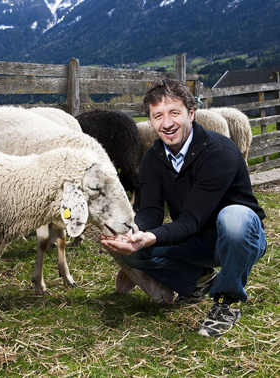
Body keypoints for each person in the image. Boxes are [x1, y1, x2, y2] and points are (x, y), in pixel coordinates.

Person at [101, 78, 267, 337]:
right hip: (195, 239)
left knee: (234, 216)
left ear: (191, 113)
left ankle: (227, 301)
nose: (166, 124)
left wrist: (151, 237)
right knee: (131, 252)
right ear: (150, 120)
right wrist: (133, 230)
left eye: (174, 113)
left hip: (240, 239)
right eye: (158, 116)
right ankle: (200, 279)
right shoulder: (154, 158)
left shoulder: (219, 151)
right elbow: (151, 212)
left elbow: (192, 219)